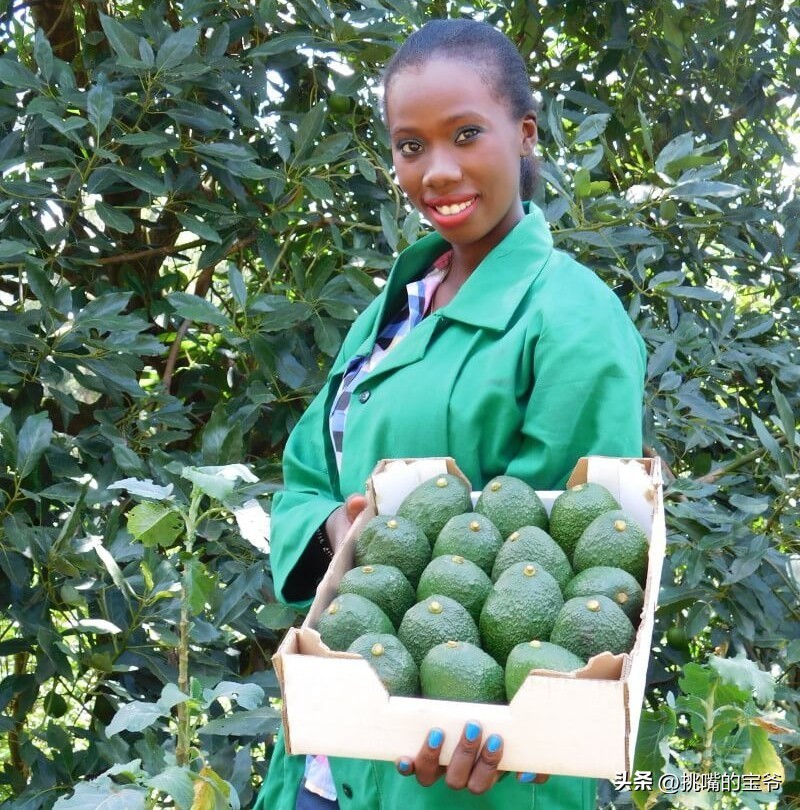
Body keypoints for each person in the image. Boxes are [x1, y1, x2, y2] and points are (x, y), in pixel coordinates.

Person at [253, 17, 646, 810]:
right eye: (410, 146)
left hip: (462, 775)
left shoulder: (573, 318)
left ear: (524, 133)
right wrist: (338, 531)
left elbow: (566, 557)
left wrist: (498, 723)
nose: (436, 171)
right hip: (333, 758)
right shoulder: (397, 306)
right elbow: (305, 474)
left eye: (466, 135)